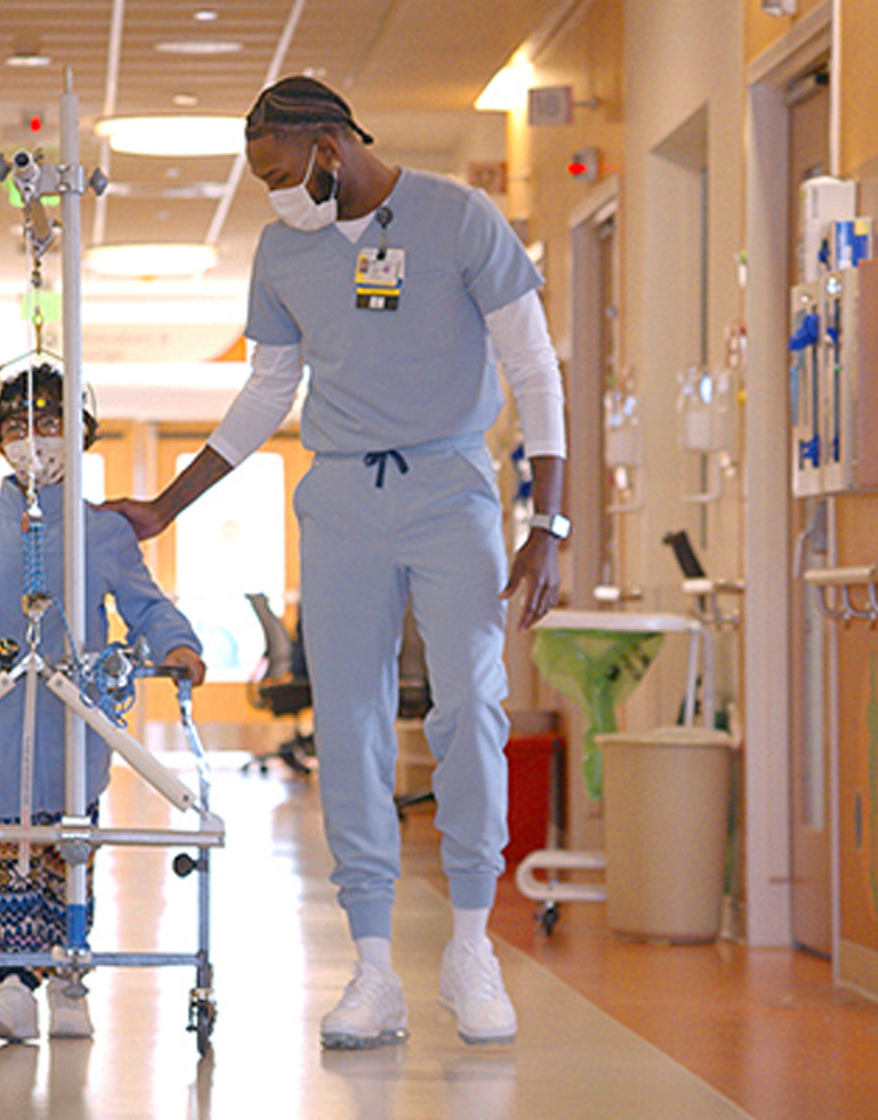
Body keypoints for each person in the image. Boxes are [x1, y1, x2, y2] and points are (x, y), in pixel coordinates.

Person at [103, 76, 568, 1050]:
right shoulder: (284, 249)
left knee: (470, 701)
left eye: (279, 172)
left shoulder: (460, 218)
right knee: (348, 718)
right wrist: (163, 506)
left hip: (451, 490)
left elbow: (533, 363)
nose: (274, 193)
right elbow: (266, 390)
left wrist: (548, 521)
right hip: (344, 497)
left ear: (329, 144)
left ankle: (473, 946)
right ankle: (372, 968)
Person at [0, 362, 206, 1042]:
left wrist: (178, 646)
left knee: (70, 846)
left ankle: (69, 980)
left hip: (75, 719)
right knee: (13, 844)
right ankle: (17, 984)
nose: (34, 440)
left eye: (49, 426)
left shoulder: (102, 530)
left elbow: (146, 606)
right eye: (19, 427)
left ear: (78, 437)